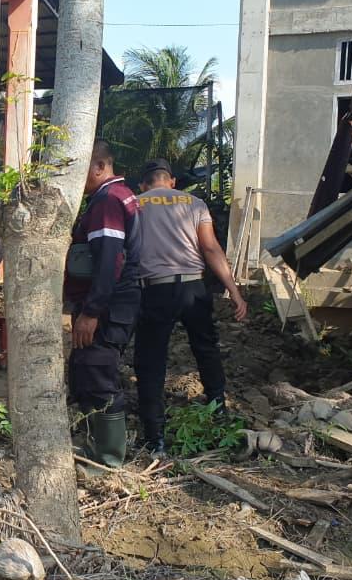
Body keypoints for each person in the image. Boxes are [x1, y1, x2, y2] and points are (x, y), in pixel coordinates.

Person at [132, 159, 247, 454]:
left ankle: (155, 436)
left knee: (151, 360)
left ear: (144, 184)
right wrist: (233, 290)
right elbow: (210, 248)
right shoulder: (195, 203)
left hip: (154, 290)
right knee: (206, 348)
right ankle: (218, 410)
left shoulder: (135, 204)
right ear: (171, 181)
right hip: (193, 287)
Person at [64, 140, 142, 467]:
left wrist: (92, 312)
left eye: (80, 171)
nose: (75, 181)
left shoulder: (109, 200)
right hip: (112, 303)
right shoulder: (114, 196)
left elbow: (110, 259)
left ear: (99, 167)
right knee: (84, 370)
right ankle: (95, 448)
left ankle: (109, 460)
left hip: (109, 306)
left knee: (98, 372)